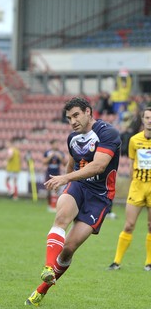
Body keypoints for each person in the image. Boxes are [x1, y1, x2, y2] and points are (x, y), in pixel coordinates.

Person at [24, 97, 121, 306]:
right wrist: (65, 184)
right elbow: (72, 162)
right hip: (78, 186)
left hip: (100, 197)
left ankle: (43, 289)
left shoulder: (107, 133)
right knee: (60, 218)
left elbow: (98, 166)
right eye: (69, 118)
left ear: (88, 112)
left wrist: (65, 178)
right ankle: (48, 267)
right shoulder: (72, 137)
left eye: (76, 115)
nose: (72, 121)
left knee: (69, 248)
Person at [107, 107, 151, 272]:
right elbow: (133, 164)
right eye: (147, 117)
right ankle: (116, 262)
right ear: (142, 119)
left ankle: (149, 263)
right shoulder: (134, 140)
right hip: (138, 186)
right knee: (129, 225)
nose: (150, 120)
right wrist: (134, 182)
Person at [43, 139, 67, 212]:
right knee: (49, 189)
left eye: (57, 144)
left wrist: (60, 157)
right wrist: (50, 156)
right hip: (49, 171)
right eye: (55, 144)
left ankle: (56, 205)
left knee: (57, 189)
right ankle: (49, 205)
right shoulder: (48, 152)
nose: (56, 145)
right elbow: (44, 162)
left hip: (57, 171)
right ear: (52, 144)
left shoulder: (60, 153)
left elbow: (64, 164)